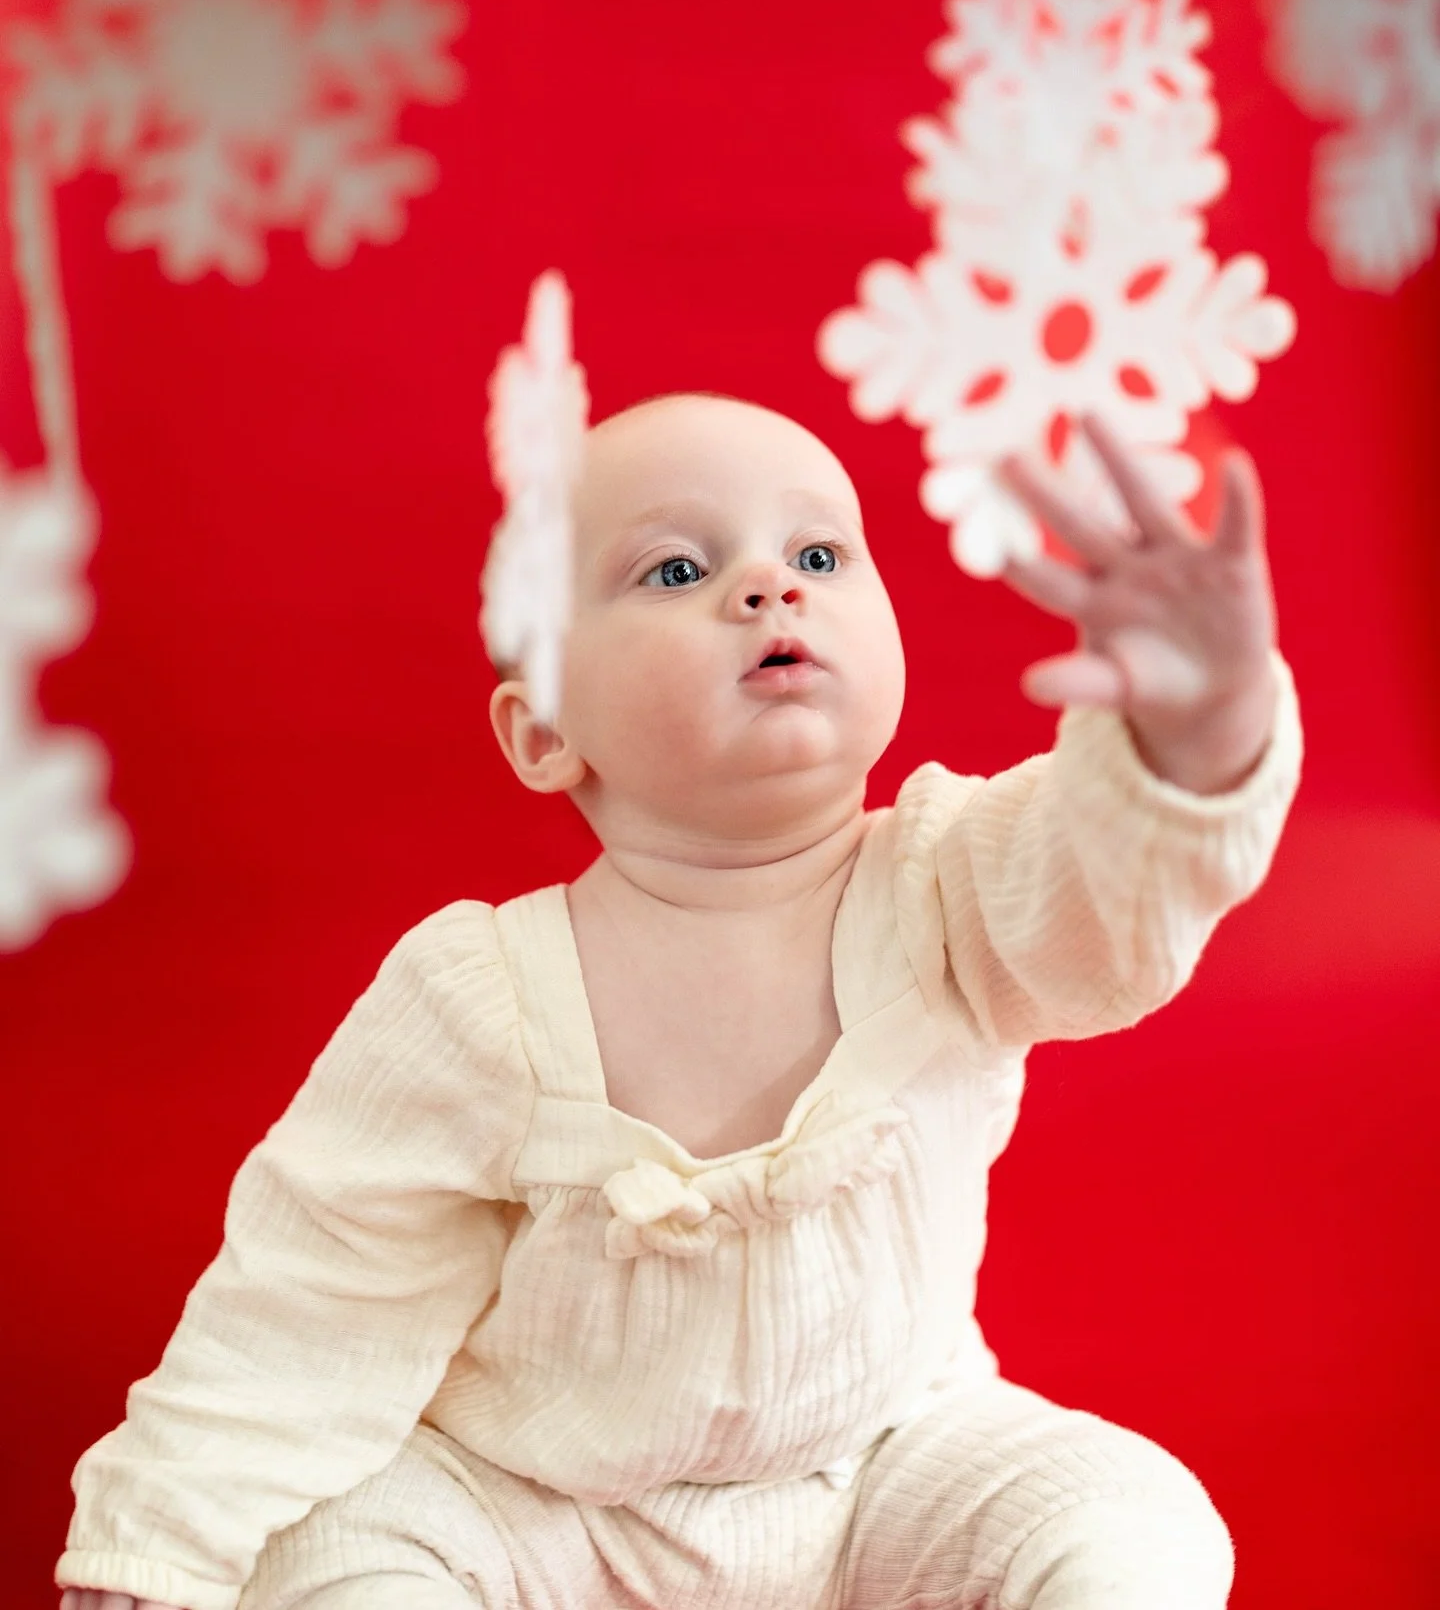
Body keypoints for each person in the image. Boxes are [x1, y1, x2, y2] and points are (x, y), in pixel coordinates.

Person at [56, 393, 1302, 1610]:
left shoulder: (948, 879)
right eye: (672, 570)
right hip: (537, 1508)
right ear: (545, 729)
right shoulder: (480, 992)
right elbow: (311, 1289)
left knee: (1133, 1517)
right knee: (327, 1560)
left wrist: (1195, 727)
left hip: (883, 1463)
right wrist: (155, 1539)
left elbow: (1111, 900)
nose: (769, 587)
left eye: (818, 550)